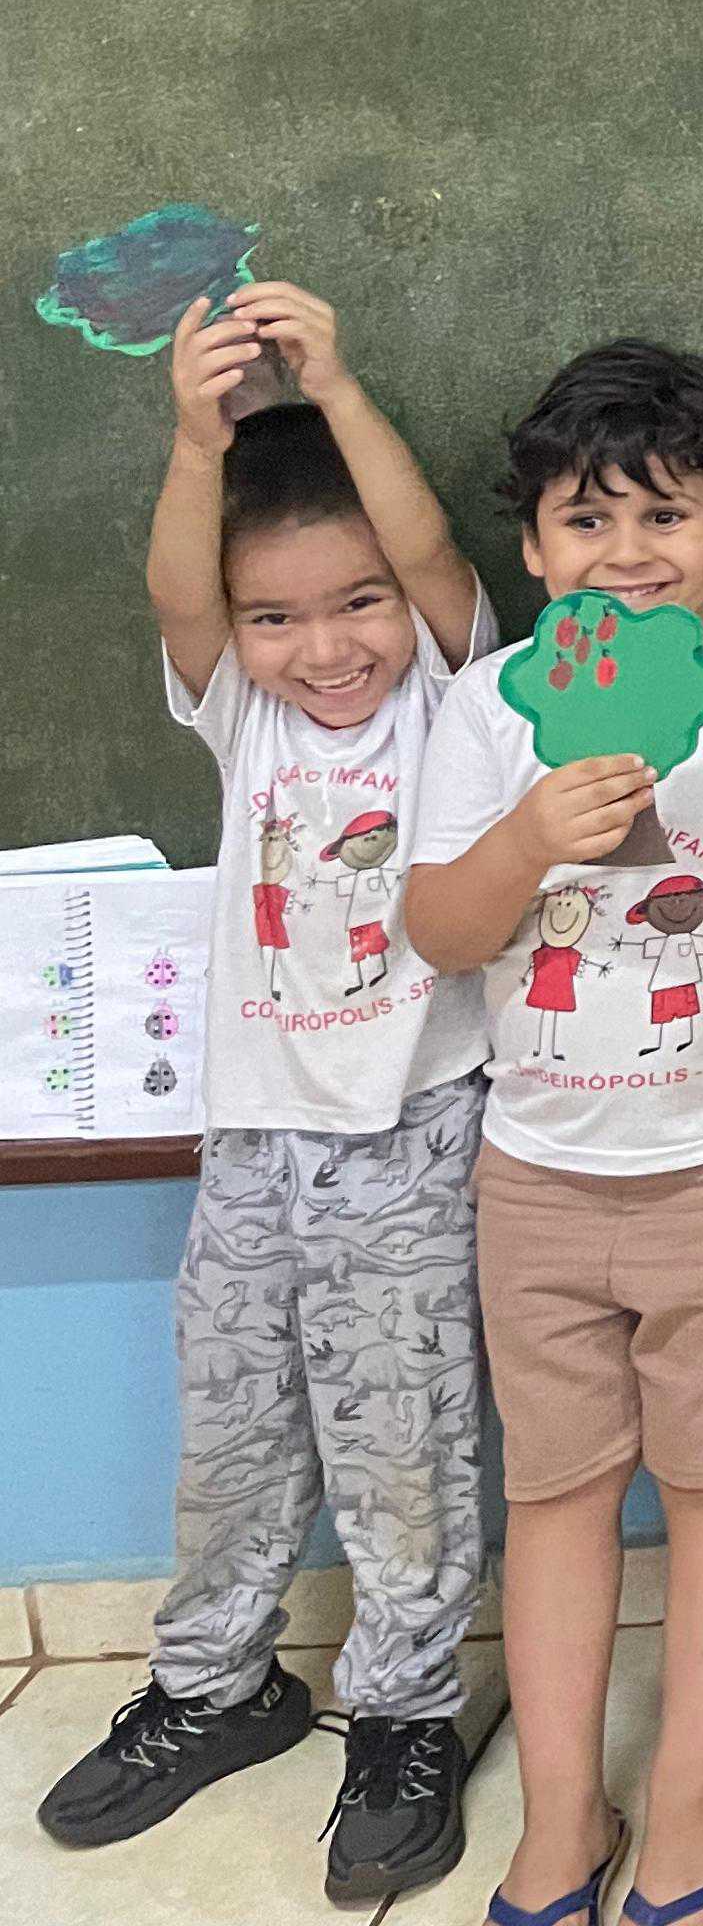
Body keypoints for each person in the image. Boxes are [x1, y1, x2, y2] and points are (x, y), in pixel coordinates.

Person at [406, 344, 703, 1926]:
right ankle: (561, 1820)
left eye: (666, 516)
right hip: (540, 1175)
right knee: (554, 1496)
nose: (627, 553)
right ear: (532, 548)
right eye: (586, 521)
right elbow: (442, 929)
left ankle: (685, 1808)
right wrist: (530, 832)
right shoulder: (492, 705)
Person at [35, 287, 495, 1903]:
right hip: (252, 1138)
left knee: (403, 1447)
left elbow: (432, 559)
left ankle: (408, 1710)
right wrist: (192, 437)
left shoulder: (456, 696)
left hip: (415, 1126)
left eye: (356, 603)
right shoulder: (243, 708)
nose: (327, 647)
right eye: (278, 617)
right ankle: (217, 1681)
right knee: (228, 1432)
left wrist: (343, 389)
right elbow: (180, 589)